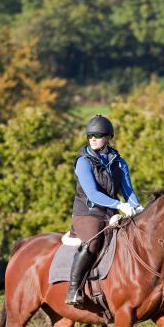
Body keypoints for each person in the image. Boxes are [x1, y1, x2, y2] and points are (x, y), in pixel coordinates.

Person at [66, 114, 143, 306]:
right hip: (87, 214)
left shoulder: (119, 162)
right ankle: (73, 290)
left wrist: (137, 207)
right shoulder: (83, 162)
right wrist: (119, 205)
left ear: (108, 137)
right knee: (92, 243)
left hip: (111, 214)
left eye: (98, 135)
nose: (93, 138)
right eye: (90, 135)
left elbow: (127, 190)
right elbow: (92, 194)